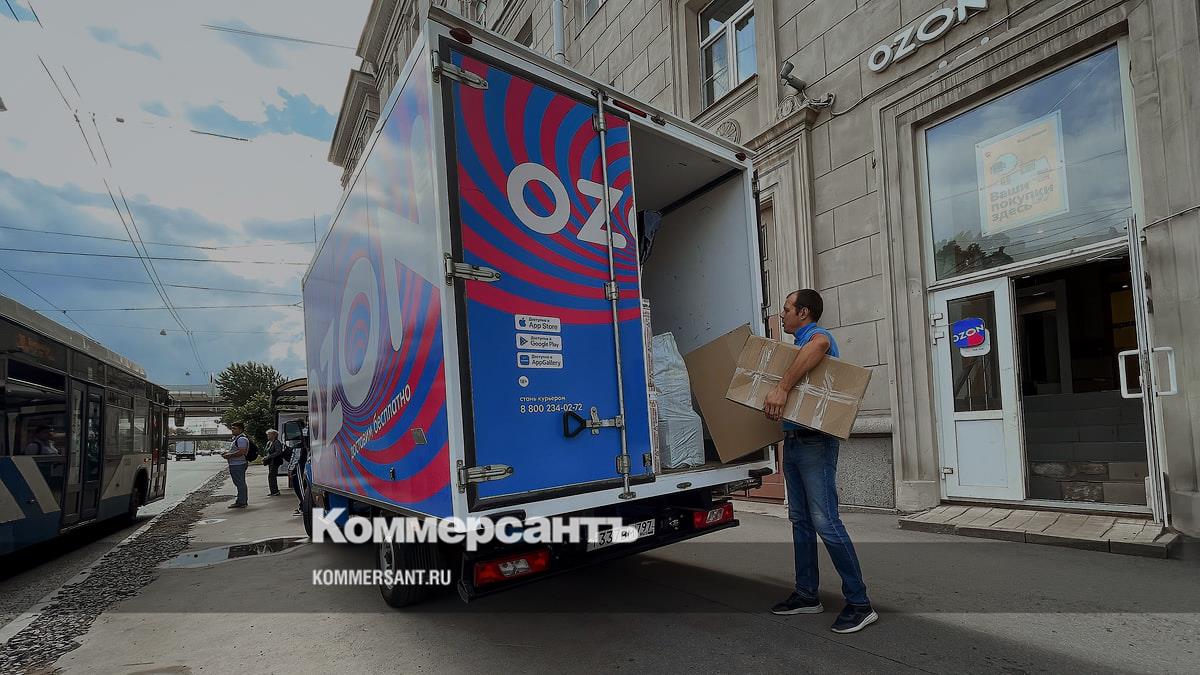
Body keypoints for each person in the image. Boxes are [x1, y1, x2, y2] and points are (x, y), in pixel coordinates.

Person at [765, 289, 877, 634]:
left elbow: (821, 346)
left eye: (787, 309)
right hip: (794, 441)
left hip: (816, 444)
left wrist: (782, 388)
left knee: (825, 522)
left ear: (804, 313)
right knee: (800, 520)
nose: (782, 314)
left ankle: (860, 603)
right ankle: (806, 595)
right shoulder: (796, 347)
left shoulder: (817, 336)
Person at [221, 422, 250, 509]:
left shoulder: (241, 439)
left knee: (240, 483)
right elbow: (237, 450)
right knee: (239, 483)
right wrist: (228, 453)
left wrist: (229, 455)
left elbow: (242, 452)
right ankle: (241, 500)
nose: (232, 430)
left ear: (240, 430)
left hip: (238, 464)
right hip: (236, 464)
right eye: (232, 428)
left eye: (235, 428)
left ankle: (242, 502)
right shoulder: (237, 439)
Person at [262, 429, 285, 496]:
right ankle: (273, 491)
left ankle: (275, 491)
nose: (268, 436)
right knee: (271, 476)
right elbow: (267, 451)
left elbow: (278, 452)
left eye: (269, 434)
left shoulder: (276, 442)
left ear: (274, 435)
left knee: (272, 476)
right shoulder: (269, 442)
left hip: (275, 461)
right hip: (270, 462)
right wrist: (265, 457)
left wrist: (268, 457)